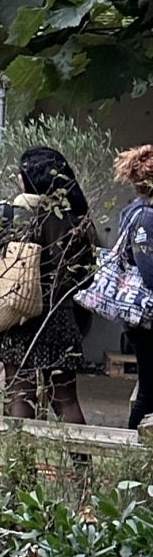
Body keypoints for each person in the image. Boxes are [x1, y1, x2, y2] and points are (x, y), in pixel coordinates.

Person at [0, 143, 100, 426]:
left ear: (27, 178)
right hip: (60, 316)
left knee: (19, 392)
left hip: (16, 315)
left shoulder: (6, 215)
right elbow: (87, 276)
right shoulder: (76, 218)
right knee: (67, 399)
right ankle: (82, 468)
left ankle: (21, 467)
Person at [112, 145, 153, 429]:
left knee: (149, 383)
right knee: (150, 386)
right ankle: (132, 442)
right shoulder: (146, 217)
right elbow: (148, 267)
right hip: (147, 315)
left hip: (137, 315)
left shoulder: (132, 211)